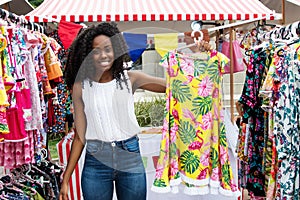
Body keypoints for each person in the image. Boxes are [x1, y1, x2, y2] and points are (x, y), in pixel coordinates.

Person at [59, 22, 166, 200]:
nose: (103, 55)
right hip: (96, 162)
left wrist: (205, 55)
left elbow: (174, 86)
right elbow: (79, 137)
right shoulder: (80, 87)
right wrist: (66, 178)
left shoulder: (130, 79)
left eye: (107, 49)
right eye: (96, 51)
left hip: (130, 156)